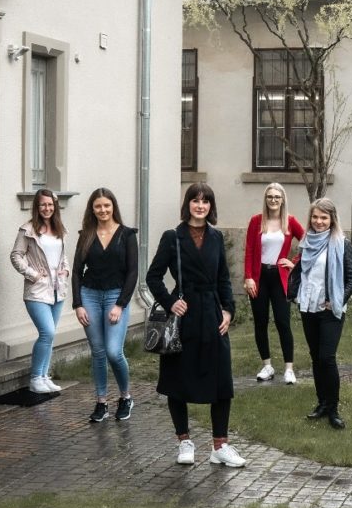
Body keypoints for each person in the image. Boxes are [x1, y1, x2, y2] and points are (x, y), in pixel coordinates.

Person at [146, 182, 244, 467]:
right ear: (187, 204)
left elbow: (224, 278)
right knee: (178, 381)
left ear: (211, 206)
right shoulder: (172, 237)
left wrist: (228, 311)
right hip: (184, 317)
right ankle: (184, 442)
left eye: (206, 201)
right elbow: (153, 276)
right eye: (195, 201)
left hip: (213, 315)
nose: (200, 206)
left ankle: (220, 446)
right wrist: (169, 302)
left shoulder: (216, 237)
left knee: (221, 381)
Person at [72, 188, 137, 423]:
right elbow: (77, 272)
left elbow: (133, 273)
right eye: (98, 206)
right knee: (98, 352)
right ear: (92, 209)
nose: (103, 210)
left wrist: (120, 305)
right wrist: (78, 304)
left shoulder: (127, 235)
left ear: (113, 207)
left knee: (113, 351)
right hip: (89, 295)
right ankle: (101, 402)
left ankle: (125, 397)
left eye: (106, 206)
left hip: (116, 296)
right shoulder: (86, 235)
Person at [293, 198, 352, 430]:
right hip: (308, 306)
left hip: (330, 309)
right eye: (315, 217)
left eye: (324, 217)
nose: (319, 222)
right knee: (315, 357)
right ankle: (321, 403)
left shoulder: (341, 243)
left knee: (327, 358)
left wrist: (337, 300)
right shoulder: (306, 242)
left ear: (332, 220)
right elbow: (302, 270)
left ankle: (333, 409)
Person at [244, 183, 305, 384]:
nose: (273, 200)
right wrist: (248, 277)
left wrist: (294, 263)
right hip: (259, 277)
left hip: (279, 278)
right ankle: (267, 366)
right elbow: (250, 250)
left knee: (282, 321)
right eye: (270, 196)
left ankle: (289, 368)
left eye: (277, 197)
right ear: (265, 199)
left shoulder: (290, 221)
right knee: (260, 323)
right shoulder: (256, 221)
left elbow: (308, 242)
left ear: (282, 199)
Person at [10, 189, 70, 394]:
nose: (47, 208)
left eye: (50, 205)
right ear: (37, 206)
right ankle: (35, 378)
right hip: (37, 291)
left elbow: (63, 256)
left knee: (50, 336)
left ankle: (44, 376)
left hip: (57, 290)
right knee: (47, 332)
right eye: (43, 205)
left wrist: (66, 270)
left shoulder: (59, 229)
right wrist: (32, 274)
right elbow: (16, 256)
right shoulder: (27, 230)